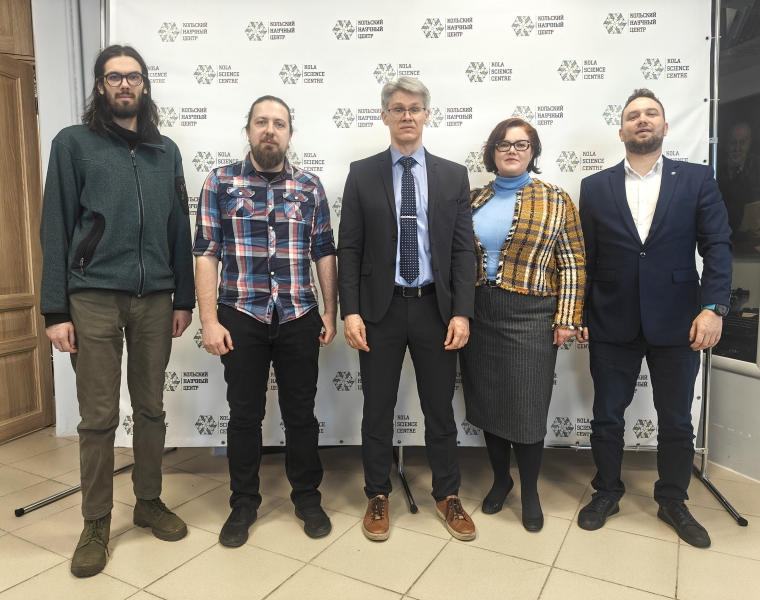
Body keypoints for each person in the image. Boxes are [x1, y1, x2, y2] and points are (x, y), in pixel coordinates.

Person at [40, 45, 194, 577]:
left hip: (155, 299)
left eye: (132, 76)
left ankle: (148, 501)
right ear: (100, 85)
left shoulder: (165, 150)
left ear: (145, 85)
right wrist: (55, 309)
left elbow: (178, 225)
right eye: (113, 77)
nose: (124, 84)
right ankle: (96, 521)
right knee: (99, 416)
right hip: (93, 296)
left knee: (150, 408)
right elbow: (56, 225)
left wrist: (183, 296)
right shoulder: (73, 144)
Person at [576, 88, 732, 548]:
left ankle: (673, 500)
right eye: (633, 116)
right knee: (607, 417)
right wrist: (580, 311)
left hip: (680, 320)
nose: (642, 120)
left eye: (651, 114)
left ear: (664, 126)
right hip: (611, 319)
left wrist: (713, 307)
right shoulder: (595, 186)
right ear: (621, 130)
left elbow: (717, 246)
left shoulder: (697, 178)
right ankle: (607, 492)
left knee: (677, 421)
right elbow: (586, 257)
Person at [194, 95, 338, 547]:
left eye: (279, 123)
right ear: (249, 130)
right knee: (244, 415)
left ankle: (307, 498)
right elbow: (206, 252)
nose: (269, 130)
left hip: (298, 314)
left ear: (290, 133)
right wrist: (208, 320)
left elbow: (324, 251)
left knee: (301, 414)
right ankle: (243, 503)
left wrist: (330, 310)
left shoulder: (310, 187)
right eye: (261, 122)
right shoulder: (219, 182)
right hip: (240, 314)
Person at [338, 77, 477, 542]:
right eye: (398, 109)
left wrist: (462, 313)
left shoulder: (453, 175)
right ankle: (377, 494)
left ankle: (447, 494)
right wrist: (350, 312)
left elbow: (463, 251)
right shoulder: (362, 173)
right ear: (384, 116)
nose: (407, 116)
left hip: (436, 309)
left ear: (427, 115)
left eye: (415, 108)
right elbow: (349, 248)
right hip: (379, 311)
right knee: (377, 409)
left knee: (440, 409)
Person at [458, 118, 585, 532]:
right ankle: (501, 481)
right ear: (492, 152)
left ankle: (530, 492)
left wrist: (567, 318)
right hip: (480, 312)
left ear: (533, 152)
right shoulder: (472, 199)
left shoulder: (555, 199)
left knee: (527, 407)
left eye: (521, 144)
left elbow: (573, 261)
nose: (512, 150)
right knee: (490, 403)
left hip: (532, 314)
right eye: (503, 144)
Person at [717, 121, 760, 255]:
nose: (737, 148)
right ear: (726, 144)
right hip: (722, 240)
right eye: (733, 142)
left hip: (752, 244)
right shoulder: (715, 168)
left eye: (742, 142)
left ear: (749, 143)